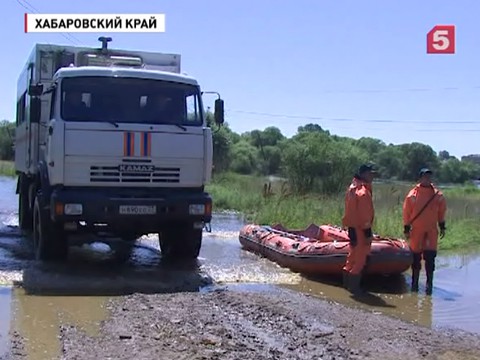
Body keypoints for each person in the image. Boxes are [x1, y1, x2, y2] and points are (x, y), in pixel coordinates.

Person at [403, 168, 447, 295]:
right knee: (416, 258)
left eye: (429, 176)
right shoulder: (412, 195)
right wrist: (406, 228)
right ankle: (415, 285)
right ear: (420, 178)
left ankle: (429, 286)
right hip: (416, 230)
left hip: (431, 231)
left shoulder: (438, 195)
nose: (427, 179)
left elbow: (441, 212)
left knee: (430, 258)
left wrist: (442, 226)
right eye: (425, 177)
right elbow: (407, 212)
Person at [341, 163, 376, 295]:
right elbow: (364, 214)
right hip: (361, 229)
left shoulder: (352, 188)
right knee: (360, 258)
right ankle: (355, 289)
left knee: (352, 256)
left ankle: (347, 285)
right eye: (370, 174)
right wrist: (368, 232)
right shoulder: (363, 192)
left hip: (352, 227)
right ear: (363, 174)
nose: (372, 176)